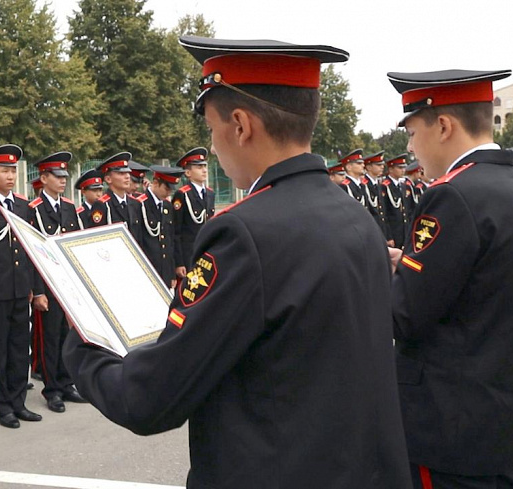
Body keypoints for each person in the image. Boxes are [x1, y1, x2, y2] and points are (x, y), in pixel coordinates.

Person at [63, 35, 411, 488]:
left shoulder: (244, 234)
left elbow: (149, 399)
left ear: (241, 125)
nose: (212, 146)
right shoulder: (353, 215)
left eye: (212, 128)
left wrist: (83, 343)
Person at [388, 68, 513, 488]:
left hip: (448, 430)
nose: (410, 147)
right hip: (504, 417)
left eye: (412, 133)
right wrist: (409, 264)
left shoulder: (451, 194)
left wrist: (377, 274)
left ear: (443, 126)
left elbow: (402, 315)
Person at [0, 144, 46, 429]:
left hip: (19, 289)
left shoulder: (23, 206)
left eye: (13, 170)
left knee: (19, 349)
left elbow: (30, 250)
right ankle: (2, 406)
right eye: (4, 171)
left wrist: (34, 287)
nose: (11, 176)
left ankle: (18, 402)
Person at [26, 152, 88, 413]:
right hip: (47, 284)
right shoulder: (33, 210)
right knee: (49, 339)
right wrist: (38, 291)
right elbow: (31, 252)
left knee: (67, 335)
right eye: (57, 176)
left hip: (67, 283)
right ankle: (52, 389)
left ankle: (66, 382)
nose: (63, 180)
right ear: (43, 178)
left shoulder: (69, 207)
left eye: (65, 176)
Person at [137, 165, 184, 288]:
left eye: (171, 190)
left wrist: (171, 272)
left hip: (165, 270)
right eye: (166, 188)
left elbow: (170, 240)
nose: (168, 193)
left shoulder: (167, 206)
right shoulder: (140, 204)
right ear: (156, 183)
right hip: (149, 268)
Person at [172, 148, 214, 281]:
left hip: (206, 252)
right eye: (199, 167)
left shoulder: (210, 193)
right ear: (188, 172)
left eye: (205, 166)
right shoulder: (182, 194)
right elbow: (176, 231)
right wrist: (179, 262)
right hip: (189, 255)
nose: (204, 170)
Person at [87, 152, 144, 245]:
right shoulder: (102, 205)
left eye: (128, 172)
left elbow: (139, 237)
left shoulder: (135, 203)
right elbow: (97, 240)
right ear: (108, 179)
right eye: (121, 173)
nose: (127, 176)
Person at [381, 154, 410, 248]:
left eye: (404, 167)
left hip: (403, 231)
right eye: (400, 168)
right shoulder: (385, 186)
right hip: (393, 232)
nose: (403, 170)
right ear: (391, 169)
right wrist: (388, 236)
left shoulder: (402, 185)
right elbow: (384, 213)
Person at [363, 151, 392, 242]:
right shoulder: (364, 185)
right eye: (378, 165)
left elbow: (383, 213)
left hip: (381, 231)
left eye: (382, 164)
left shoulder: (378, 184)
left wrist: (388, 236)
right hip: (371, 232)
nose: (382, 167)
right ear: (369, 167)